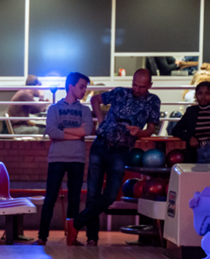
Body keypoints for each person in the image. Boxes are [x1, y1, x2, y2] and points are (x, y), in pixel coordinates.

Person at [67, 69, 160, 246]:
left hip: (121, 150)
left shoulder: (153, 101)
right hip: (101, 144)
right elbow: (95, 99)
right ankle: (92, 239)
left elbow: (151, 129)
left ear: (150, 85)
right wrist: (101, 118)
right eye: (134, 84)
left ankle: (75, 223)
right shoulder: (119, 92)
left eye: (142, 86)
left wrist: (139, 132)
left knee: (110, 195)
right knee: (92, 194)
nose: (137, 89)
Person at [36, 72, 93, 246]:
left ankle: (72, 237)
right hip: (57, 158)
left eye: (85, 87)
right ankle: (42, 237)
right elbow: (52, 132)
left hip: (77, 158)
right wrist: (76, 133)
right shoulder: (54, 108)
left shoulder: (85, 110)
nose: (84, 91)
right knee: (50, 197)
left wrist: (64, 131)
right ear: (71, 86)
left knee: (74, 199)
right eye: (82, 87)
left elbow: (87, 131)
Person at [172, 81, 210, 163]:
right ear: (196, 95)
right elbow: (176, 130)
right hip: (197, 151)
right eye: (200, 93)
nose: (203, 97)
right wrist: (189, 137)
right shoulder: (191, 111)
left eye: (207, 93)